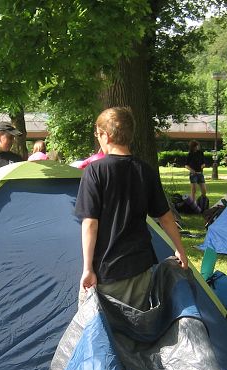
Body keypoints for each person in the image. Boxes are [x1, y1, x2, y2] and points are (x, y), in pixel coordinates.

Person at [75, 107, 188, 311]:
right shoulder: (146, 171)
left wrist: (87, 268)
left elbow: (90, 224)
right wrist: (180, 250)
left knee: (102, 327)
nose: (98, 139)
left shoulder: (95, 171)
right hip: (141, 267)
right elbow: (165, 217)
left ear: (107, 135)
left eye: (98, 134)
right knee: (137, 324)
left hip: (108, 270)